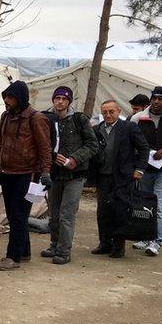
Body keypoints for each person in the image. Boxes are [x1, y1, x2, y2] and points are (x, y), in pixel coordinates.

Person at [0, 80, 52, 271]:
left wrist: (45, 172)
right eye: (6, 97)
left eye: (10, 97)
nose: (7, 101)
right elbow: (2, 144)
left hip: (28, 174)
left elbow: (45, 148)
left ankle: (13, 256)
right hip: (8, 172)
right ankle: (24, 251)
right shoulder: (5, 116)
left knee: (19, 215)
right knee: (13, 214)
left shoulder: (36, 118)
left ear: (20, 98)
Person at [41, 86, 100, 264]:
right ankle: (54, 244)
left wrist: (75, 158)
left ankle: (64, 251)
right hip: (55, 173)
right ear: (53, 100)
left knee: (67, 213)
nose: (60, 102)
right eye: (57, 98)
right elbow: (41, 143)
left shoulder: (79, 119)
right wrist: (52, 156)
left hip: (76, 174)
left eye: (64, 99)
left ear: (69, 102)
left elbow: (92, 144)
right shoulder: (46, 118)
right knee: (54, 213)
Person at [91, 100, 150, 257]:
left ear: (118, 111)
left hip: (123, 177)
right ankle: (104, 243)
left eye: (111, 111)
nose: (108, 115)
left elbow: (143, 148)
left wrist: (139, 169)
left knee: (120, 211)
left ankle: (118, 246)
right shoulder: (97, 129)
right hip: (103, 177)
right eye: (105, 112)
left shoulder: (129, 127)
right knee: (103, 210)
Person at [131, 86, 162, 256]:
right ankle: (145, 237)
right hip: (145, 168)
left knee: (160, 206)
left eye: (161, 99)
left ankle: (157, 241)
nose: (157, 102)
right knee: (144, 204)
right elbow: (130, 139)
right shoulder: (137, 118)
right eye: (154, 98)